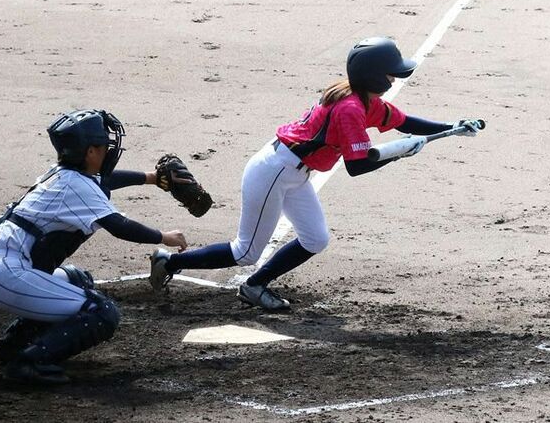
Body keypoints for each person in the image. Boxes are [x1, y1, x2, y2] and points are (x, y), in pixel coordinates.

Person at [150, 37, 483, 310]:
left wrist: (453, 127)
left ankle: (254, 286)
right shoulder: (350, 108)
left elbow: (404, 121)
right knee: (245, 252)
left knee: (315, 239)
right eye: (390, 73)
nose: (395, 78)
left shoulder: (361, 99)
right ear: (373, 76)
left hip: (294, 173)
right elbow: (357, 166)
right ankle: (170, 263)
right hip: (274, 173)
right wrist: (400, 152)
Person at [0, 109, 188, 384]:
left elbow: (105, 182)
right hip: (5, 276)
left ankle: (12, 347)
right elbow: (119, 226)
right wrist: (163, 236)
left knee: (76, 279)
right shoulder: (76, 186)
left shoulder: (64, 174)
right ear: (90, 152)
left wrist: (151, 178)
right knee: (101, 312)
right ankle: (29, 363)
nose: (109, 151)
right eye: (104, 146)